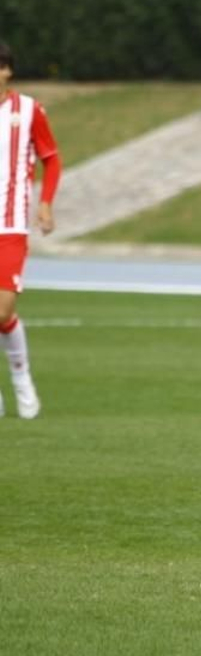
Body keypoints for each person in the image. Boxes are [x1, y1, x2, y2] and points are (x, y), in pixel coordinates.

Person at [0, 43, 59, 421]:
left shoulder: (28, 110)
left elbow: (51, 158)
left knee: (3, 308)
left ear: (6, 70)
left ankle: (21, 377)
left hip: (11, 224)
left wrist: (45, 202)